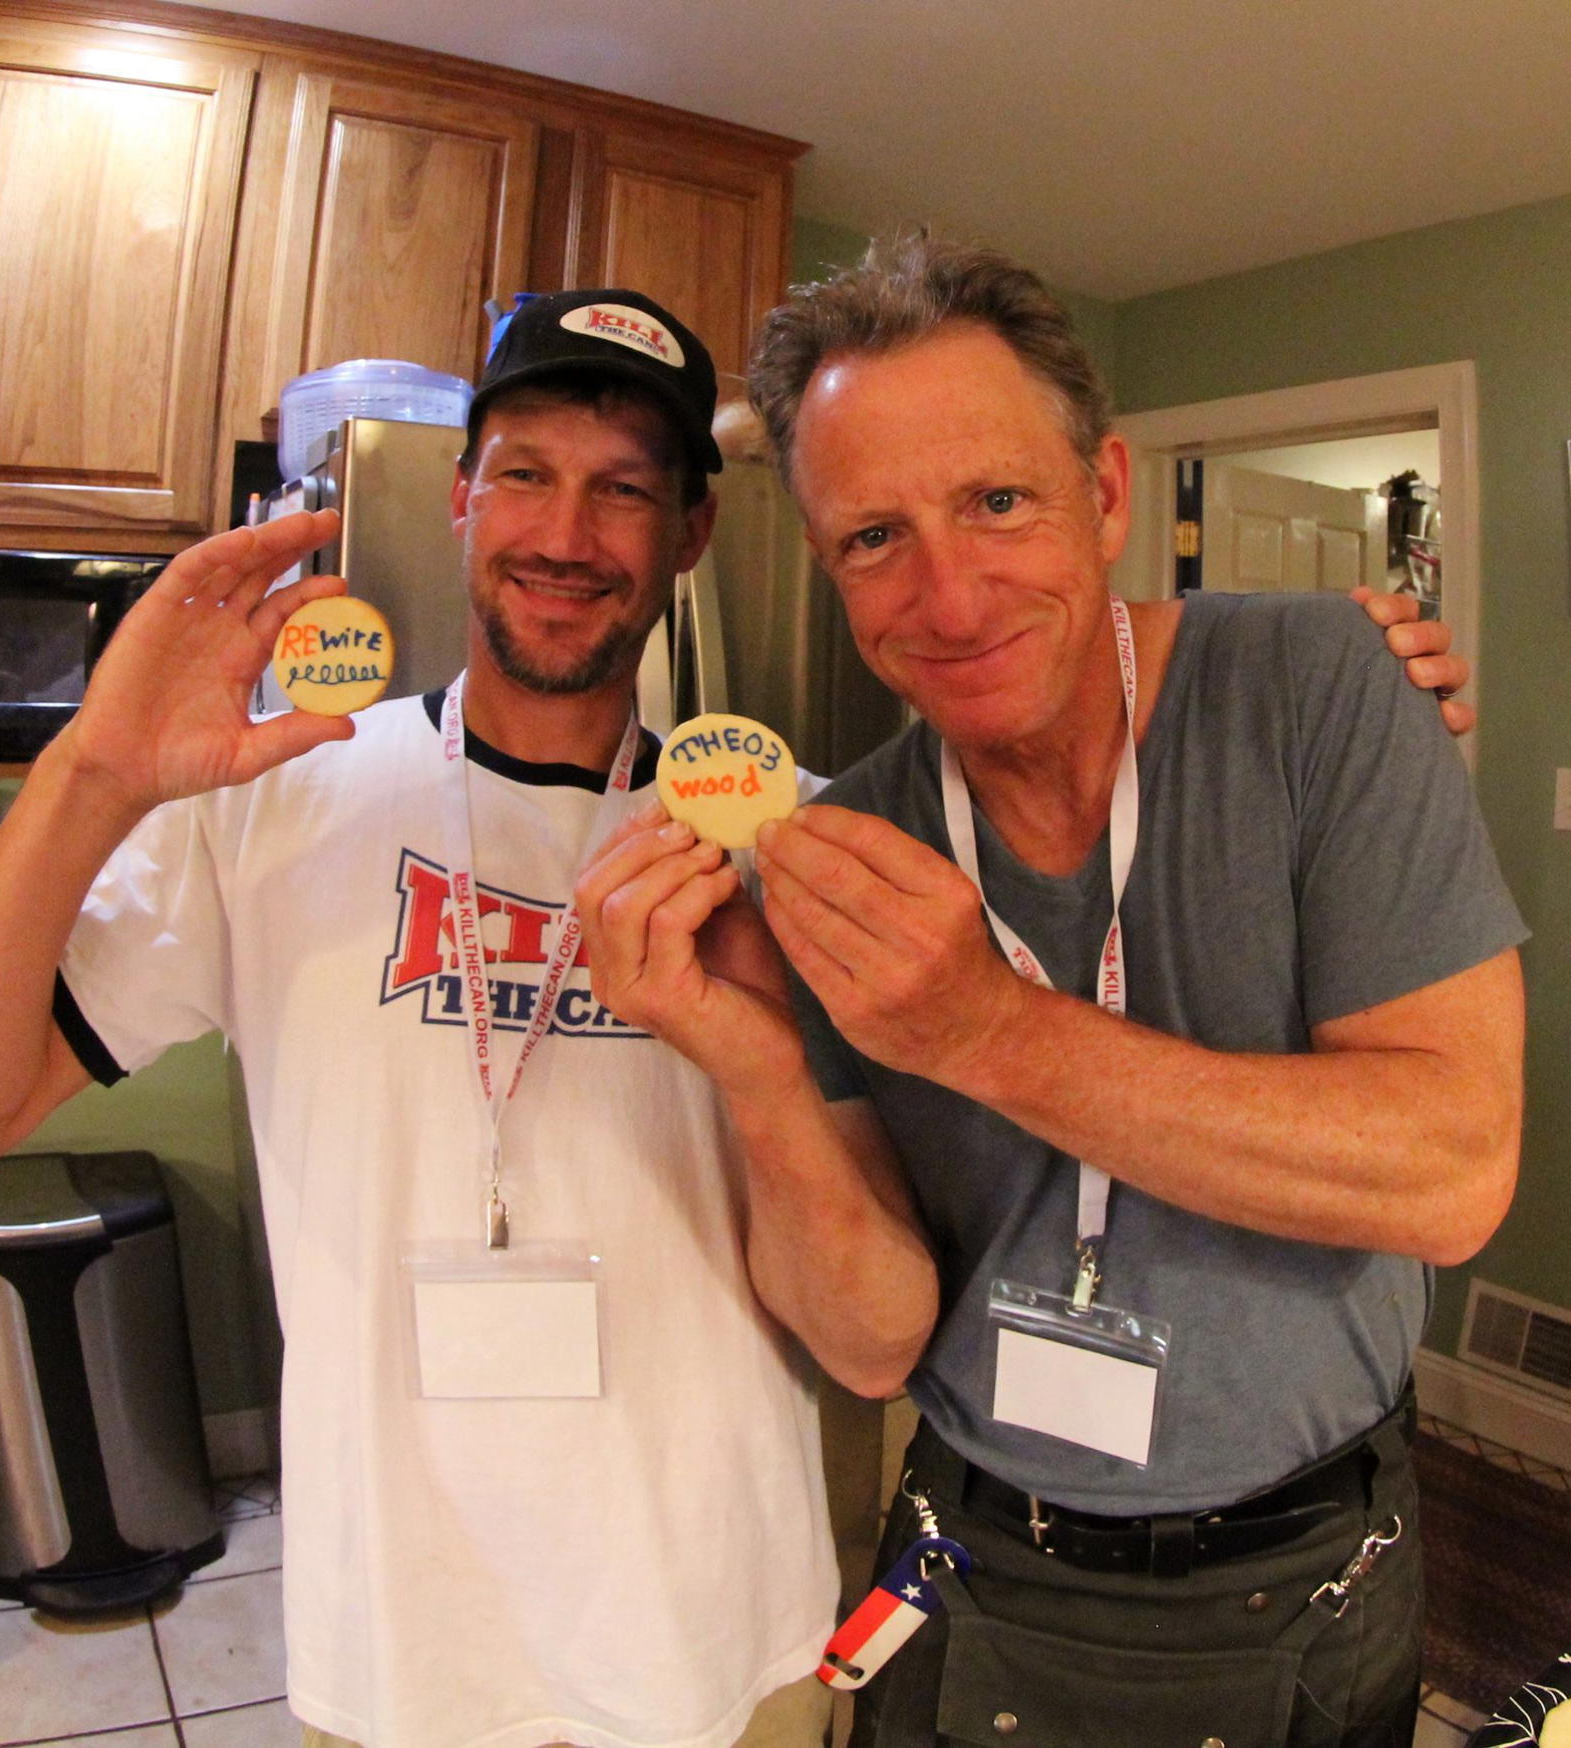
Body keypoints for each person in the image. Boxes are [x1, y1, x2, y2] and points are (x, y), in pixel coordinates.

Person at [575, 238, 1526, 1748]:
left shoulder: (1325, 690)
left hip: (1309, 1566)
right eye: (874, 537)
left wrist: (985, 1032)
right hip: (970, 1553)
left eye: (999, 502)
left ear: (1106, 493)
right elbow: (871, 1345)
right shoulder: (848, 848)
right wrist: (749, 1062)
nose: (950, 597)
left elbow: (1452, 1172)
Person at [0, 289, 841, 1748]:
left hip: (718, 1622)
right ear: (459, 497)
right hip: (402, 1643)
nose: (565, 533)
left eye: (626, 489)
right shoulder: (276, 795)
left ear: (691, 534)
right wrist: (92, 774)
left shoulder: (784, 838)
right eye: (524, 473)